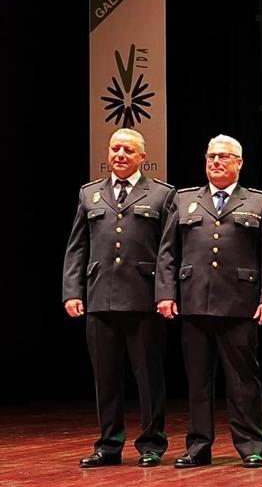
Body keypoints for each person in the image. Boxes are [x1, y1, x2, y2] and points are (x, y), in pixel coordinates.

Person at [156, 134, 262, 469]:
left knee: (243, 380)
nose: (216, 162)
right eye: (211, 156)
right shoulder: (184, 200)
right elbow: (167, 253)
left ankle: (251, 444)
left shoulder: (258, 201)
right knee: (197, 381)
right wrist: (166, 293)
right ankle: (198, 446)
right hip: (194, 302)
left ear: (239, 163)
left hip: (240, 304)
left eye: (224, 156)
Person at [63, 128, 174, 468]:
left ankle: (152, 443)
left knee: (148, 376)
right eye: (115, 149)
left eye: (128, 149)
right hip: (100, 298)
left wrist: (165, 294)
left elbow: (169, 251)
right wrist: (72, 291)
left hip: (143, 299)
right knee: (106, 377)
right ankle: (108, 444)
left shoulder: (161, 194)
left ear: (142, 157)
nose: (120, 155)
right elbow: (76, 247)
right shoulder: (90, 194)